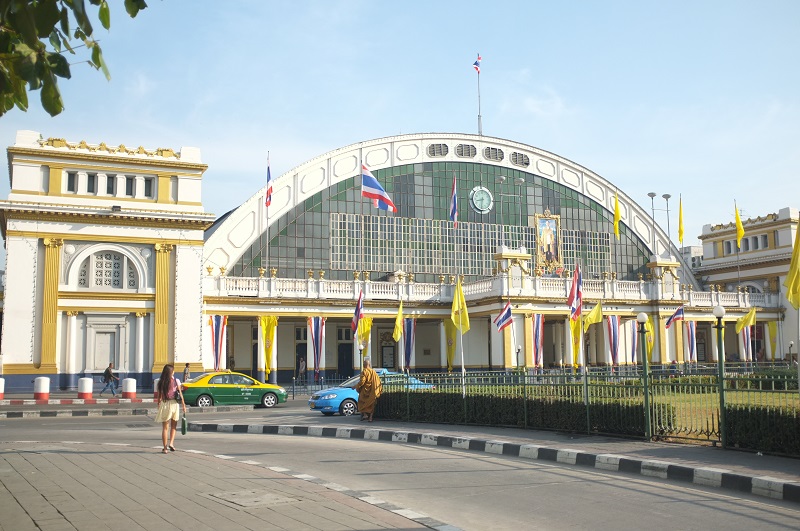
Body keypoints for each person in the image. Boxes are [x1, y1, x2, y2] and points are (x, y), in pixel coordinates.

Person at [154, 364, 186, 454]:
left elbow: (159, 396)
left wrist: (158, 403)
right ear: (171, 372)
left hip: (165, 403)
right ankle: (171, 443)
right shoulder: (176, 380)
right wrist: (183, 405)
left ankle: (165, 448)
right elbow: (180, 393)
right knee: (174, 426)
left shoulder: (161, 382)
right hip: (174, 404)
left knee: (165, 428)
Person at [355, 358, 382, 422]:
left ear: (364, 365)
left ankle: (365, 414)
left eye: (364, 364)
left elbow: (362, 382)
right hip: (372, 391)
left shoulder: (364, 372)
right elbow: (378, 382)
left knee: (361, 402)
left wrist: (355, 386)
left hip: (364, 391)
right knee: (372, 404)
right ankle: (370, 418)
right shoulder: (373, 372)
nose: (363, 365)